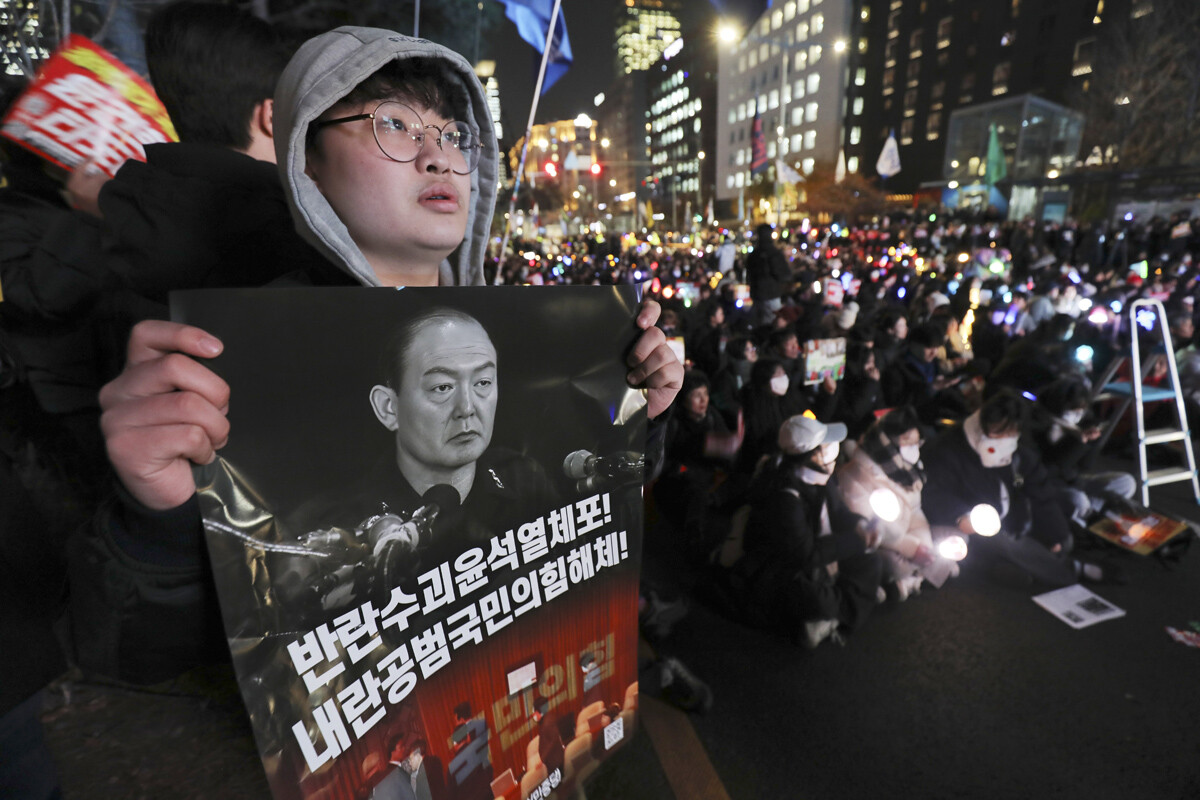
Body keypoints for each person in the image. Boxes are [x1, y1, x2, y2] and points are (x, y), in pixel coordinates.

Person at [73, 28, 682, 683]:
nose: (439, 157)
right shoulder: (223, 363)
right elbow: (137, 659)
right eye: (395, 124)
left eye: (453, 134)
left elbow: (574, 532)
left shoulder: (533, 337)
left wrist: (637, 411)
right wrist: (159, 520)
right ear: (303, 154)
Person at [921, 390, 1116, 586]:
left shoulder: (1019, 451)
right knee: (997, 540)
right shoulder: (947, 448)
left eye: (1011, 433)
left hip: (1013, 518)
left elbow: (1040, 493)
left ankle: (1002, 567)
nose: (1004, 438)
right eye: (998, 431)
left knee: (1063, 541)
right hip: (972, 524)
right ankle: (1070, 570)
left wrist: (1055, 533)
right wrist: (962, 516)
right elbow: (933, 493)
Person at [732, 415, 884, 649]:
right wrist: (855, 541)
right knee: (812, 597)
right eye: (827, 445)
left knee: (872, 560)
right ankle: (846, 605)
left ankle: (837, 610)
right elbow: (805, 555)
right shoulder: (784, 497)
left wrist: (861, 526)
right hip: (780, 566)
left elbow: (840, 511)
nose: (836, 448)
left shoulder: (820, 476)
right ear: (813, 455)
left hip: (816, 552)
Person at [836, 407, 946, 601]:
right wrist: (911, 548)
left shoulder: (907, 471)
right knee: (893, 563)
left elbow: (915, 510)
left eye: (915, 442)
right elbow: (867, 524)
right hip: (877, 541)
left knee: (943, 544)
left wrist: (923, 544)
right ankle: (909, 579)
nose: (913, 449)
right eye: (907, 442)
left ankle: (908, 581)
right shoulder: (855, 474)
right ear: (886, 440)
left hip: (905, 532)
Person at [745, 223, 792, 325]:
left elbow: (748, 275)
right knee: (773, 325)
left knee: (758, 325)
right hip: (771, 296)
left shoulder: (753, 255)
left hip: (756, 295)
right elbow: (784, 274)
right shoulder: (774, 253)